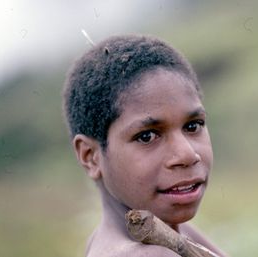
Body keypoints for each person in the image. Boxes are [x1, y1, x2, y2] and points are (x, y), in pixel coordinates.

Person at [63, 34, 227, 257]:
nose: (187, 154)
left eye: (193, 126)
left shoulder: (170, 233)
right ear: (90, 156)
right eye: (147, 136)